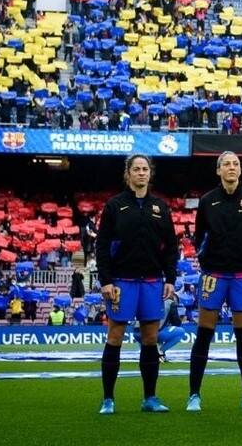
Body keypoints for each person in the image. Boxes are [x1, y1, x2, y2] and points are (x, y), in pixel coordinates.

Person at [95, 154, 177, 414]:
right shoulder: (114, 206)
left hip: (153, 281)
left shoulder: (160, 207)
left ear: (150, 174)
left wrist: (171, 278)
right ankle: (108, 399)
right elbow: (102, 245)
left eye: (145, 169)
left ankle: (149, 398)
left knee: (150, 338)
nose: (141, 173)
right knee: (115, 336)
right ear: (128, 174)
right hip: (122, 282)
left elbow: (171, 247)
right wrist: (106, 280)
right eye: (136, 169)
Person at [188, 151, 242, 411]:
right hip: (214, 275)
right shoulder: (208, 201)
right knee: (204, 335)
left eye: (236, 164)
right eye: (227, 164)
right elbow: (199, 237)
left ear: (240, 171)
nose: (232, 168)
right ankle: (194, 395)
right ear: (218, 170)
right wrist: (209, 261)